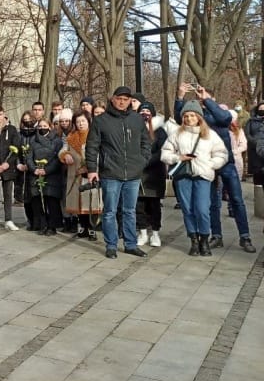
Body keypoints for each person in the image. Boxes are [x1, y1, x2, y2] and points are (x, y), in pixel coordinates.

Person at [174, 83, 255, 253]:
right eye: (199, 97)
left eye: (204, 97)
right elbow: (178, 118)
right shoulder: (197, 117)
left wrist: (208, 100)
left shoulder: (220, 113)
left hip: (226, 163)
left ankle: (245, 236)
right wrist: (180, 97)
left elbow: (225, 119)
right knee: (212, 203)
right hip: (205, 165)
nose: (201, 99)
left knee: (237, 200)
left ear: (213, 99)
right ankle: (216, 236)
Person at [85, 86, 151, 259]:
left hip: (133, 173)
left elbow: (146, 143)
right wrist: (92, 170)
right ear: (112, 99)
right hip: (110, 173)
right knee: (109, 211)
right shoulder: (101, 120)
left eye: (126, 99)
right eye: (119, 98)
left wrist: (141, 162)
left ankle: (130, 244)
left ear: (130, 101)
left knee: (129, 211)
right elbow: (92, 147)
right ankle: (111, 245)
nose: (122, 101)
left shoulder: (137, 119)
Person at [161, 100, 227, 256]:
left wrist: (211, 164)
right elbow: (165, 153)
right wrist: (178, 157)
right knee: (187, 209)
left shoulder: (210, 135)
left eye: (192, 115)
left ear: (199, 117)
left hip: (202, 175)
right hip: (183, 176)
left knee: (202, 209)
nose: (189, 119)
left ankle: (204, 238)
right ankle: (194, 240)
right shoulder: (177, 134)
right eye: (186, 116)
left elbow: (222, 154)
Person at [59, 111, 100, 240]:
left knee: (92, 202)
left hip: (91, 174)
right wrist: (65, 155)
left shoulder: (95, 136)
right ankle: (83, 227)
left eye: (83, 121)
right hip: (76, 174)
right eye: (77, 121)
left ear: (88, 121)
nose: (80, 124)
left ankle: (93, 228)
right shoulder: (71, 137)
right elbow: (62, 150)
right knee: (79, 202)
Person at [135, 102, 168, 247]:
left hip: (154, 174)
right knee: (139, 205)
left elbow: (163, 150)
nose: (145, 114)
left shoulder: (160, 131)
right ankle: (142, 233)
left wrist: (147, 161)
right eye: (142, 111)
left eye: (148, 111)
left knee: (154, 205)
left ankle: (155, 233)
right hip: (137, 173)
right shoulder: (134, 129)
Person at [28, 118, 64, 235]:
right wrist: (35, 169)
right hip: (36, 174)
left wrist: (46, 170)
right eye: (40, 126)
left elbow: (57, 159)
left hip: (51, 175)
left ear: (50, 126)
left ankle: (52, 226)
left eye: (44, 126)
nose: (42, 128)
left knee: (51, 202)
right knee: (38, 201)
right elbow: (28, 158)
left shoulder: (57, 141)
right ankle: (42, 224)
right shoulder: (33, 140)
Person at [16, 111, 38, 229]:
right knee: (26, 198)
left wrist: (32, 165)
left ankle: (37, 221)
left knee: (35, 196)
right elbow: (15, 151)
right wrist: (19, 164)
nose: (27, 121)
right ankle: (29, 220)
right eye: (25, 119)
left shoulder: (37, 134)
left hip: (34, 168)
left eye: (30, 119)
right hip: (22, 169)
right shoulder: (20, 135)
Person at [244, 102, 264, 187]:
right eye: (261, 109)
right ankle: (259, 198)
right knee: (258, 176)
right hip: (254, 151)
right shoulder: (251, 121)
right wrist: (255, 142)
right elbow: (247, 134)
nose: (262, 111)